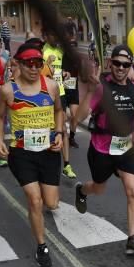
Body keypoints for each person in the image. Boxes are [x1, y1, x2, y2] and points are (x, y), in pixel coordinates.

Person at [0, 42, 65, 267]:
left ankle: (40, 213)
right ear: (19, 64)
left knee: (51, 203)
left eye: (38, 64)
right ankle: (41, 246)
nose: (34, 69)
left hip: (48, 152)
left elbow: (59, 111)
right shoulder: (8, 90)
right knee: (35, 201)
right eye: (29, 64)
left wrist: (60, 133)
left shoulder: (51, 86)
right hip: (22, 153)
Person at [74, 45, 134, 256]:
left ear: (130, 66)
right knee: (98, 188)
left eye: (125, 64)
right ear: (110, 63)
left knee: (133, 191)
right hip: (102, 149)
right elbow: (78, 118)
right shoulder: (101, 88)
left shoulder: (133, 88)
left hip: (125, 148)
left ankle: (132, 240)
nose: (121, 68)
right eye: (117, 63)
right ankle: (81, 190)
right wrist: (89, 91)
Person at [41, 29, 77, 179]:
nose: (56, 37)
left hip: (60, 93)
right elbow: (36, 73)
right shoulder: (41, 50)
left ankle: (67, 165)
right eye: (52, 34)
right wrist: (45, 66)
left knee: (63, 129)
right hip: (44, 94)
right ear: (46, 35)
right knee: (46, 127)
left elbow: (61, 70)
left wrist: (65, 73)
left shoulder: (60, 50)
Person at [61, 41, 89, 150]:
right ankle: (61, 136)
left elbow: (84, 78)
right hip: (62, 90)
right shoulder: (61, 57)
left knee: (75, 116)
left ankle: (71, 138)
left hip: (73, 90)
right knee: (64, 116)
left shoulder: (78, 61)